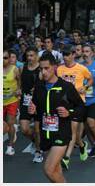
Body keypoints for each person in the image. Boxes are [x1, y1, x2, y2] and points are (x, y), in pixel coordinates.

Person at [28, 51, 84, 183]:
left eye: (46, 68)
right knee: (56, 171)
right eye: (41, 69)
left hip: (61, 134)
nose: (44, 72)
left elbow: (81, 108)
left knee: (48, 169)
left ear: (54, 67)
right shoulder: (39, 87)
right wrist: (33, 109)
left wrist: (69, 113)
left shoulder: (66, 87)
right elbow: (35, 106)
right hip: (46, 135)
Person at [57, 46, 93, 170]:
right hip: (63, 103)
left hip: (78, 103)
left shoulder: (82, 68)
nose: (65, 57)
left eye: (68, 55)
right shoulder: (59, 69)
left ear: (73, 55)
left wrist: (86, 87)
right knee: (74, 135)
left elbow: (90, 79)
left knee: (73, 132)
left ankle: (66, 158)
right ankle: (82, 145)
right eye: (64, 55)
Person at [19, 47, 43, 162]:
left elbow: (48, 83)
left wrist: (38, 88)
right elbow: (20, 82)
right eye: (28, 55)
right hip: (26, 101)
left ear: (37, 55)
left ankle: (38, 152)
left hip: (38, 102)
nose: (30, 58)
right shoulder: (22, 67)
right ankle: (35, 140)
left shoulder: (42, 69)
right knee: (24, 129)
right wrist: (19, 90)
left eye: (32, 55)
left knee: (38, 129)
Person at [4, 49, 21, 155]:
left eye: (5, 58)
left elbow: (20, 82)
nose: (3, 60)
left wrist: (18, 90)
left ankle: (10, 146)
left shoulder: (15, 69)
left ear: (10, 59)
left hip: (12, 101)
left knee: (10, 123)